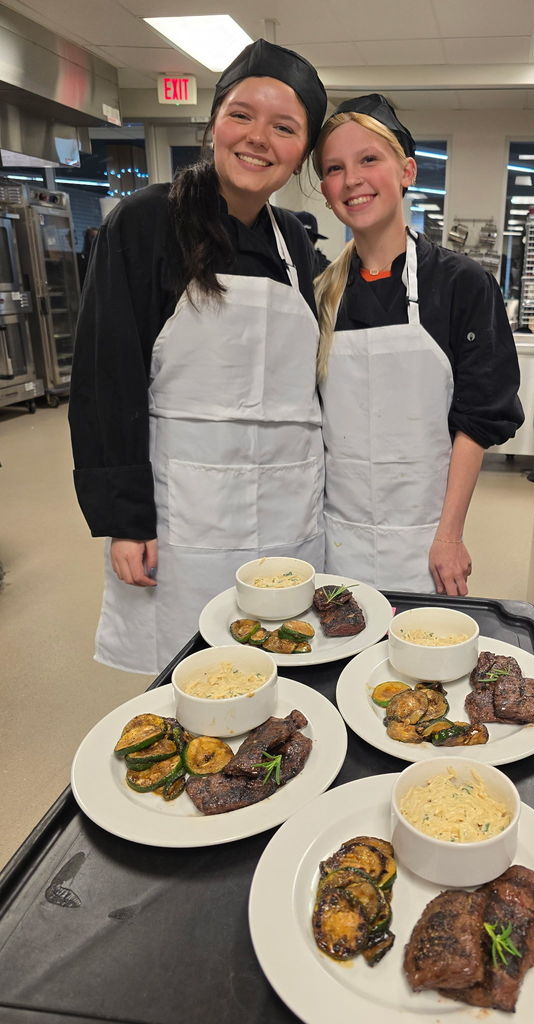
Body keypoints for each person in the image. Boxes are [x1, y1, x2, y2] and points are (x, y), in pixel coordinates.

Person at [68, 40, 328, 674]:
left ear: (301, 156)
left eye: (285, 127)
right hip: (183, 513)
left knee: (282, 671)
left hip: (285, 509)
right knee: (189, 676)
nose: (258, 138)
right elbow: (107, 381)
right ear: (213, 122)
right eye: (241, 114)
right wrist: (124, 521)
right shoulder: (145, 222)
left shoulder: (295, 241)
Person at [313, 95, 523, 597]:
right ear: (324, 190)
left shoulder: (461, 284)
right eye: (334, 168)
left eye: (369, 159)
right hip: (334, 537)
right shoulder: (321, 293)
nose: (352, 180)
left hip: (426, 540)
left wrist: (450, 535)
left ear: (406, 170)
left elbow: (477, 418)